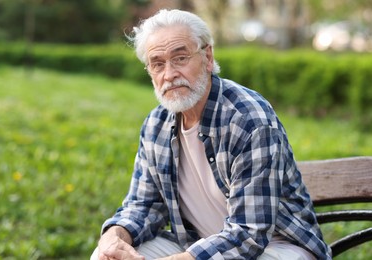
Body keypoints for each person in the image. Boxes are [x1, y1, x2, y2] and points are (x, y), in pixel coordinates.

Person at [91, 9, 331, 260]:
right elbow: (143, 206)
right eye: (157, 64)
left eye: (180, 58)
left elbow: (249, 234)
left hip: (276, 247)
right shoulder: (155, 125)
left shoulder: (249, 120)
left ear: (207, 56)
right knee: (106, 255)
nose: (169, 74)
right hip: (200, 244)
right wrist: (114, 234)